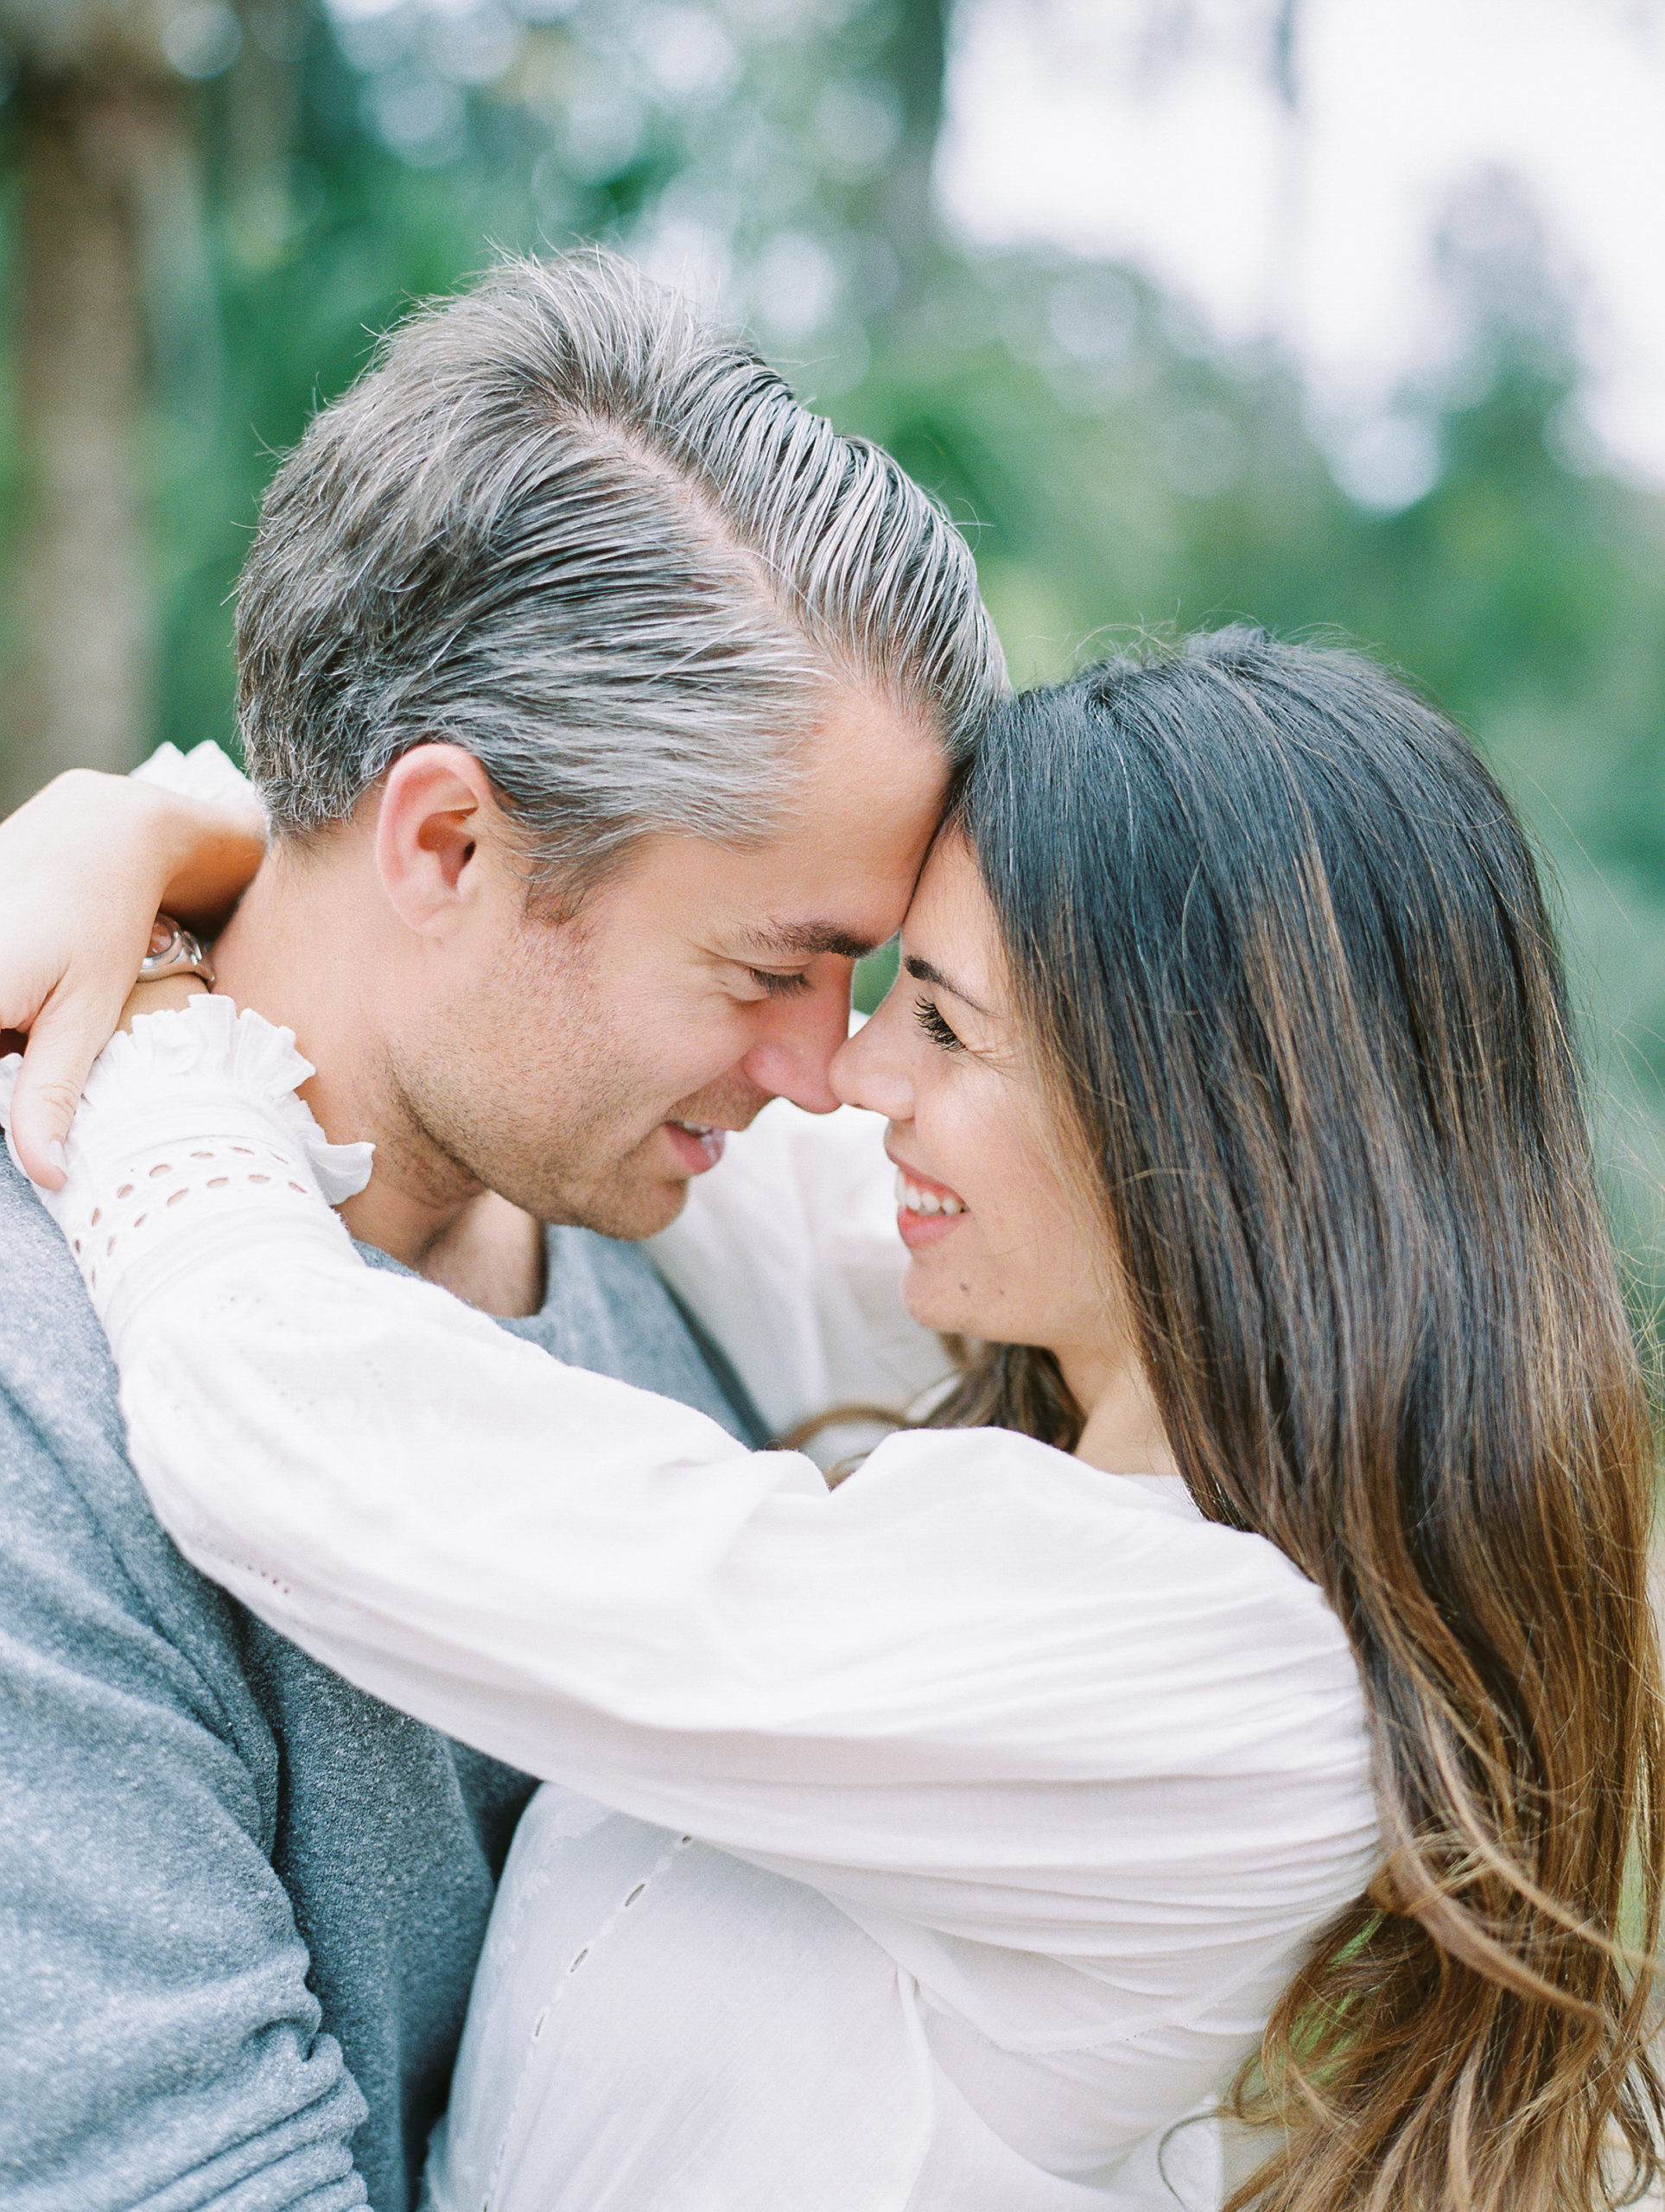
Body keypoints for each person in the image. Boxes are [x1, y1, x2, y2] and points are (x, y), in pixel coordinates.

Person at [9, 631, 1660, 2211]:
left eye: (943, 1019)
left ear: (1225, 1111)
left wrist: (155, 1018)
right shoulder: (1057, 1346)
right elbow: (526, 1010)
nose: (849, 1073)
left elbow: (296, 1433)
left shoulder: (1238, 1690)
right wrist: (156, 825)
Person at [0, 247, 1003, 2211]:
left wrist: (167, 831)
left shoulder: (681, 1243)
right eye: (770, 965)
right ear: (448, 840)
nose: (828, 1071)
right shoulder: (42, 1403)